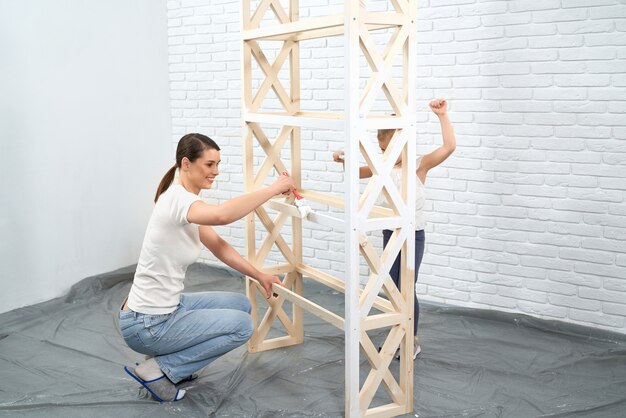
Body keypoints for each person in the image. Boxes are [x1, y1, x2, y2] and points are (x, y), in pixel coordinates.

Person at [119, 133, 295, 402]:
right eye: (209, 165)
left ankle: (171, 359)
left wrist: (260, 275)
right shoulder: (178, 199)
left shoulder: (185, 201)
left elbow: (219, 246)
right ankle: (159, 369)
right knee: (242, 326)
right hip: (147, 325)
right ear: (186, 164)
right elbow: (222, 215)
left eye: (218, 164)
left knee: (241, 305)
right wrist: (272, 189)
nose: (216, 172)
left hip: (161, 311)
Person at [332, 99, 456, 358]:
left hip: (413, 236)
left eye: (388, 147)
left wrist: (442, 116)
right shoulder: (381, 169)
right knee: (392, 289)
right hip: (391, 234)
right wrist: (342, 157)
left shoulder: (419, 165)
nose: (384, 153)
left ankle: (411, 340)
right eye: (381, 149)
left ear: (403, 143)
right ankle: (398, 334)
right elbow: (354, 171)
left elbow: (449, 146)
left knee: (406, 288)